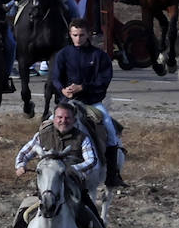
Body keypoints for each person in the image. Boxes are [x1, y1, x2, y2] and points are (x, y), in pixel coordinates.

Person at [12, 101, 107, 228]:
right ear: (54, 118)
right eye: (60, 117)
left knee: (92, 217)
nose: (63, 121)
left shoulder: (82, 138)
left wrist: (71, 169)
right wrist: (20, 165)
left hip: (74, 191)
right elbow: (23, 154)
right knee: (22, 213)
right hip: (43, 189)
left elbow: (91, 160)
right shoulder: (42, 135)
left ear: (74, 120)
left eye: (67, 118)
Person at [50, 18, 124, 186]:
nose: (78, 38)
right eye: (75, 35)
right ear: (70, 34)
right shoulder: (63, 54)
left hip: (92, 103)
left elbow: (104, 81)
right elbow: (55, 77)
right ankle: (44, 169)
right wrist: (62, 89)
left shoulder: (99, 56)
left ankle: (112, 175)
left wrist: (82, 87)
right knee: (47, 124)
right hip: (67, 102)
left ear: (88, 35)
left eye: (81, 35)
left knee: (110, 130)